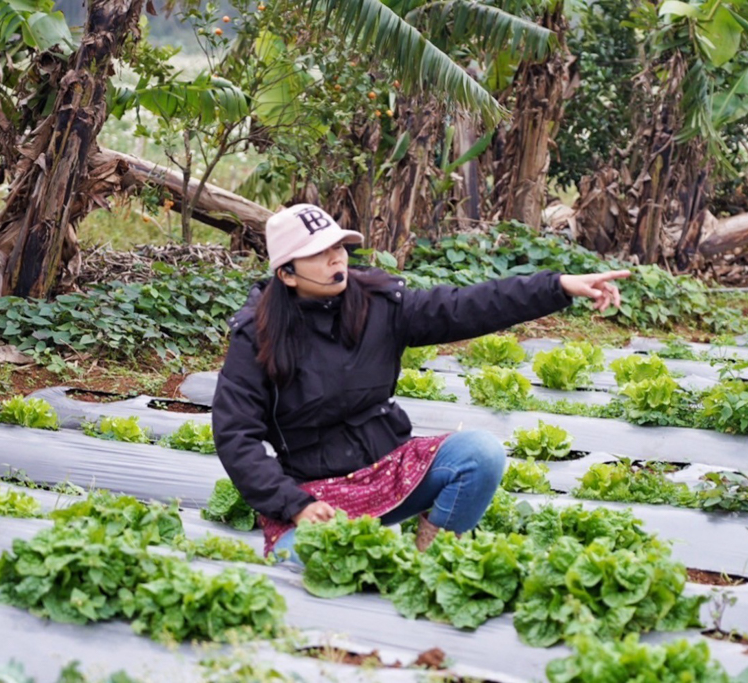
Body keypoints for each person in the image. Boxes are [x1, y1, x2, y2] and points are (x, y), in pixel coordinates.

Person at [212, 203, 630, 563]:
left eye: (338, 247)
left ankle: (428, 558)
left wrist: (556, 287)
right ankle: (361, 547)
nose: (336, 259)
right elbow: (236, 435)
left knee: (479, 454)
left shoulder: (378, 304)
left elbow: (466, 307)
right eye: (319, 255)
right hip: (316, 494)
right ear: (286, 274)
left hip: (388, 469)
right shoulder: (258, 336)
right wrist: (295, 504)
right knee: (314, 559)